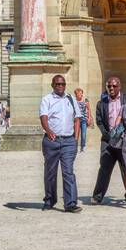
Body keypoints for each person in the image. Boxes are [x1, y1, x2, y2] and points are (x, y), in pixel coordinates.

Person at [39, 74, 82, 212]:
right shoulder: (47, 99)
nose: (60, 86)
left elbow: (77, 119)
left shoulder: (71, 99)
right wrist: (48, 130)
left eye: (62, 84)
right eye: (57, 84)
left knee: (68, 172)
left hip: (69, 141)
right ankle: (49, 200)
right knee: (50, 172)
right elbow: (44, 117)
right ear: (52, 85)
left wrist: (75, 139)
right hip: (52, 140)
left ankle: (70, 203)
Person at [91, 76, 126, 205]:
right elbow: (99, 121)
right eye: (109, 86)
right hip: (107, 140)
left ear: (120, 86)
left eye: (114, 86)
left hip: (124, 140)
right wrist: (107, 135)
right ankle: (97, 196)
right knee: (104, 168)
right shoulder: (101, 104)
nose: (111, 88)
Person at [74, 88, 92, 152]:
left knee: (83, 134)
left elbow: (89, 109)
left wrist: (89, 118)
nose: (81, 95)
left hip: (84, 119)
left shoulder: (85, 100)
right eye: (79, 93)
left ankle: (82, 147)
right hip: (76, 120)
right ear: (76, 94)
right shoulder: (74, 101)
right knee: (76, 134)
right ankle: (75, 147)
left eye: (82, 93)